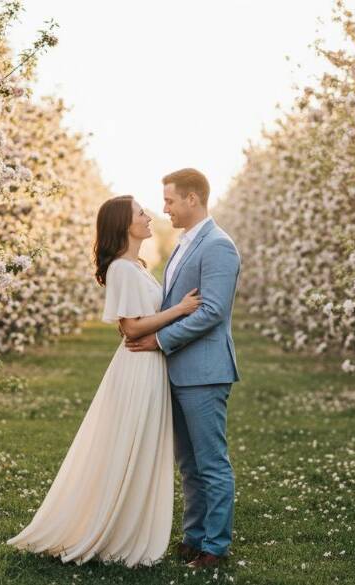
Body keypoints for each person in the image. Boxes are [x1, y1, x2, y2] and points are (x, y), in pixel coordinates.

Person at [5, 194, 201, 567]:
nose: (148, 216)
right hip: (138, 366)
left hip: (149, 364)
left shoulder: (136, 266)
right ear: (123, 224)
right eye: (140, 213)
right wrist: (179, 310)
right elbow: (131, 328)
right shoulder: (122, 269)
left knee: (140, 446)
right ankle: (113, 529)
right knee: (129, 445)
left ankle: (128, 524)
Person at [125, 168, 241, 569]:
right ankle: (194, 538)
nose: (165, 209)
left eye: (170, 200)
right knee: (189, 464)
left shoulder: (219, 246)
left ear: (193, 199)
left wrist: (158, 340)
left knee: (211, 462)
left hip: (205, 372)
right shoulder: (183, 243)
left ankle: (215, 547)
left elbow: (212, 311)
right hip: (178, 371)